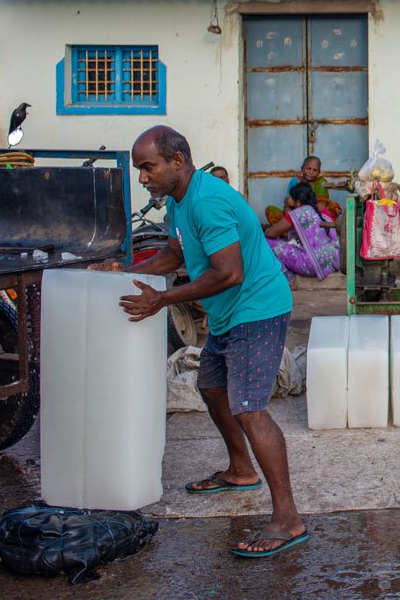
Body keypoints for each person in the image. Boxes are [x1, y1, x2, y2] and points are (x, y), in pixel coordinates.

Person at [94, 125, 307, 558]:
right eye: (139, 170)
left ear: (177, 160)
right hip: (229, 312)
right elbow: (176, 254)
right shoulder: (179, 199)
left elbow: (229, 273)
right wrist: (131, 272)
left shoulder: (208, 201)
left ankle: (288, 518)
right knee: (210, 387)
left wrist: (163, 298)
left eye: (148, 167)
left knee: (249, 408)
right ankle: (241, 468)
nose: (142, 178)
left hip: (258, 308)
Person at [265, 183, 342, 280]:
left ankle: (289, 280)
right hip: (332, 261)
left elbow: (270, 233)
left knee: (268, 242)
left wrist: (288, 209)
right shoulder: (321, 209)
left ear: (296, 201)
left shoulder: (299, 212)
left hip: (313, 265)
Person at [267, 156, 341, 223]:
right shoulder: (294, 181)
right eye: (308, 168)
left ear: (319, 173)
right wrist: (290, 221)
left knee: (332, 209)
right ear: (302, 169)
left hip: (314, 219)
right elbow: (287, 205)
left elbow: (319, 207)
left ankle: (294, 232)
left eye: (315, 170)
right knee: (270, 210)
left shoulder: (321, 182)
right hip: (296, 217)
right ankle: (291, 232)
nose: (311, 172)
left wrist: (294, 204)